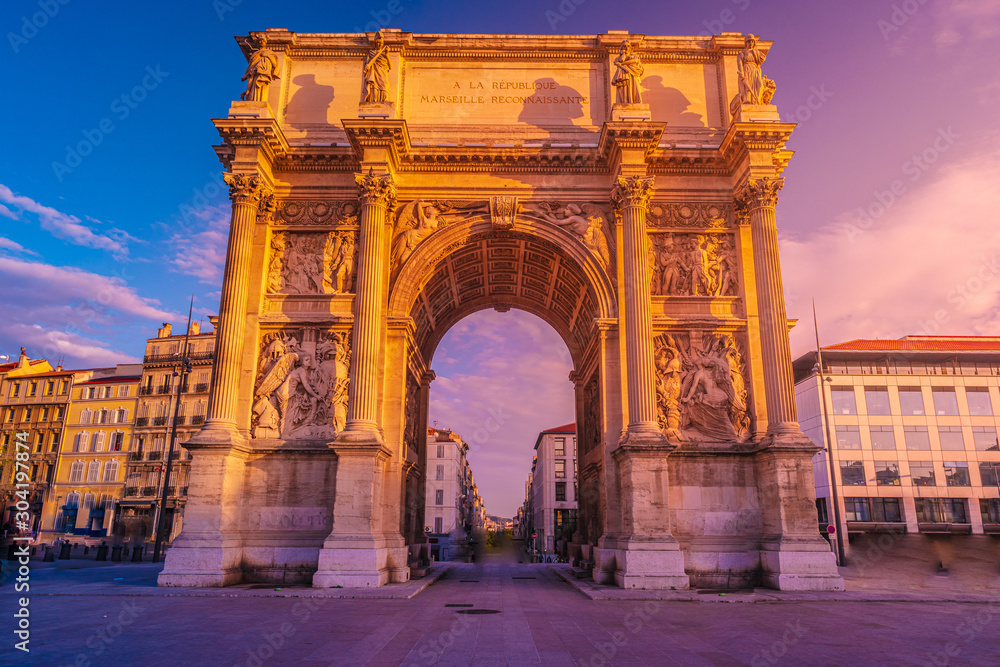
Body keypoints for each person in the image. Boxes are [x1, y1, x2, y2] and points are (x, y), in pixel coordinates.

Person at [611, 41, 644, 105]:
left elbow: (634, 60)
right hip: (624, 74)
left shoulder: (634, 56)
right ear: (622, 48)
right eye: (624, 46)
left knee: (635, 88)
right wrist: (623, 53)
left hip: (633, 73)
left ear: (630, 48)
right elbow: (621, 60)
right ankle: (625, 102)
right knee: (623, 89)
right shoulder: (619, 57)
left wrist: (622, 64)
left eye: (628, 46)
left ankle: (635, 102)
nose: (626, 47)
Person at [363, 32, 391, 103]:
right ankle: (374, 102)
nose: (380, 44)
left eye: (381, 43)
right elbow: (367, 64)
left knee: (384, 89)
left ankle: (384, 102)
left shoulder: (384, 55)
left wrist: (387, 54)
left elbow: (390, 66)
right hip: (374, 74)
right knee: (374, 92)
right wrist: (367, 66)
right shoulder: (371, 53)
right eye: (378, 42)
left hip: (383, 73)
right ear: (375, 43)